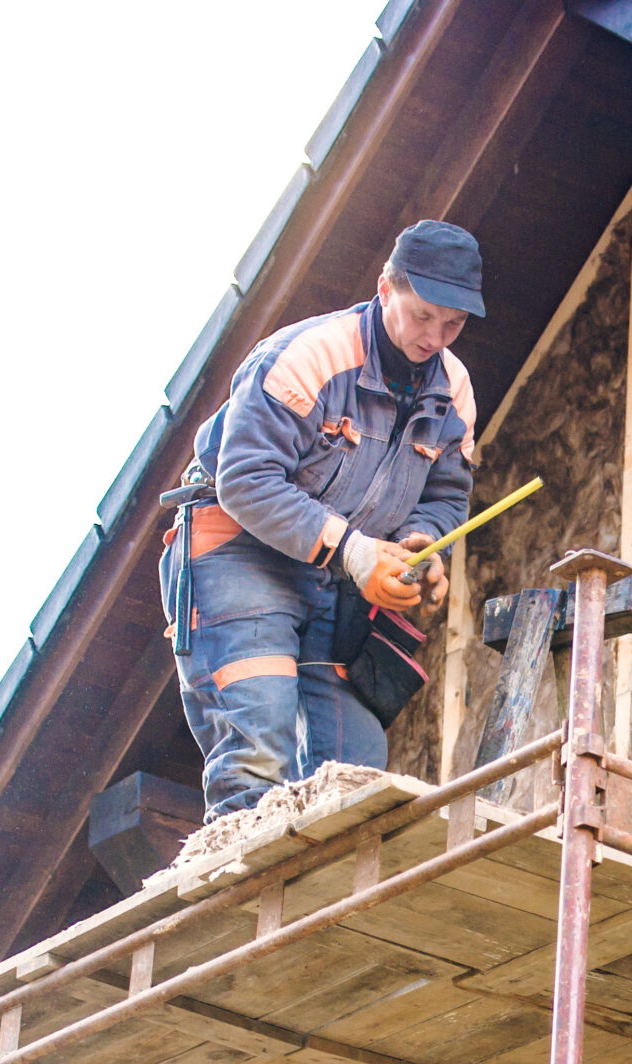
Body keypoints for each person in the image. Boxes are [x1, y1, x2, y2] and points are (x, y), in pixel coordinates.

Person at [161, 219, 482, 820]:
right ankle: (240, 902)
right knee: (259, 747)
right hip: (239, 547)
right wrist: (357, 553)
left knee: (354, 770)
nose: (436, 337)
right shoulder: (308, 355)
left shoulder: (455, 392)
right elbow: (245, 481)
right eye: (423, 316)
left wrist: (422, 547)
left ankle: (321, 909)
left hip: (334, 576)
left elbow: (445, 498)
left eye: (454, 325)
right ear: (386, 288)